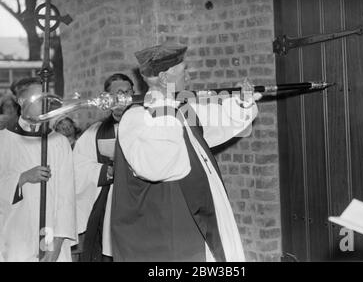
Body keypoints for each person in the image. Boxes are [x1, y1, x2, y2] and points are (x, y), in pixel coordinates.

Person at [111, 43, 262, 262]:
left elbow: (222, 121)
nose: (189, 78)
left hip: (205, 211)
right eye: (184, 71)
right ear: (164, 79)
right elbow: (157, 168)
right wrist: (164, 111)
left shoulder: (182, 107)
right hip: (170, 228)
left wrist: (241, 101)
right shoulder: (135, 118)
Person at [0, 77, 77, 262]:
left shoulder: (58, 142)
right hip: (15, 233)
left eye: (45, 98)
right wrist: (23, 177)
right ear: (21, 101)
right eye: (37, 98)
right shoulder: (3, 140)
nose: (43, 104)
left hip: (50, 231)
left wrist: (56, 245)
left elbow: (67, 197)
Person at [73, 73, 134, 262]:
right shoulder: (95, 132)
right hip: (110, 202)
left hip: (143, 200)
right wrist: (106, 171)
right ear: (106, 98)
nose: (122, 98)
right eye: (117, 94)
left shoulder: (147, 124)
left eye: (127, 92)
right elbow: (77, 166)